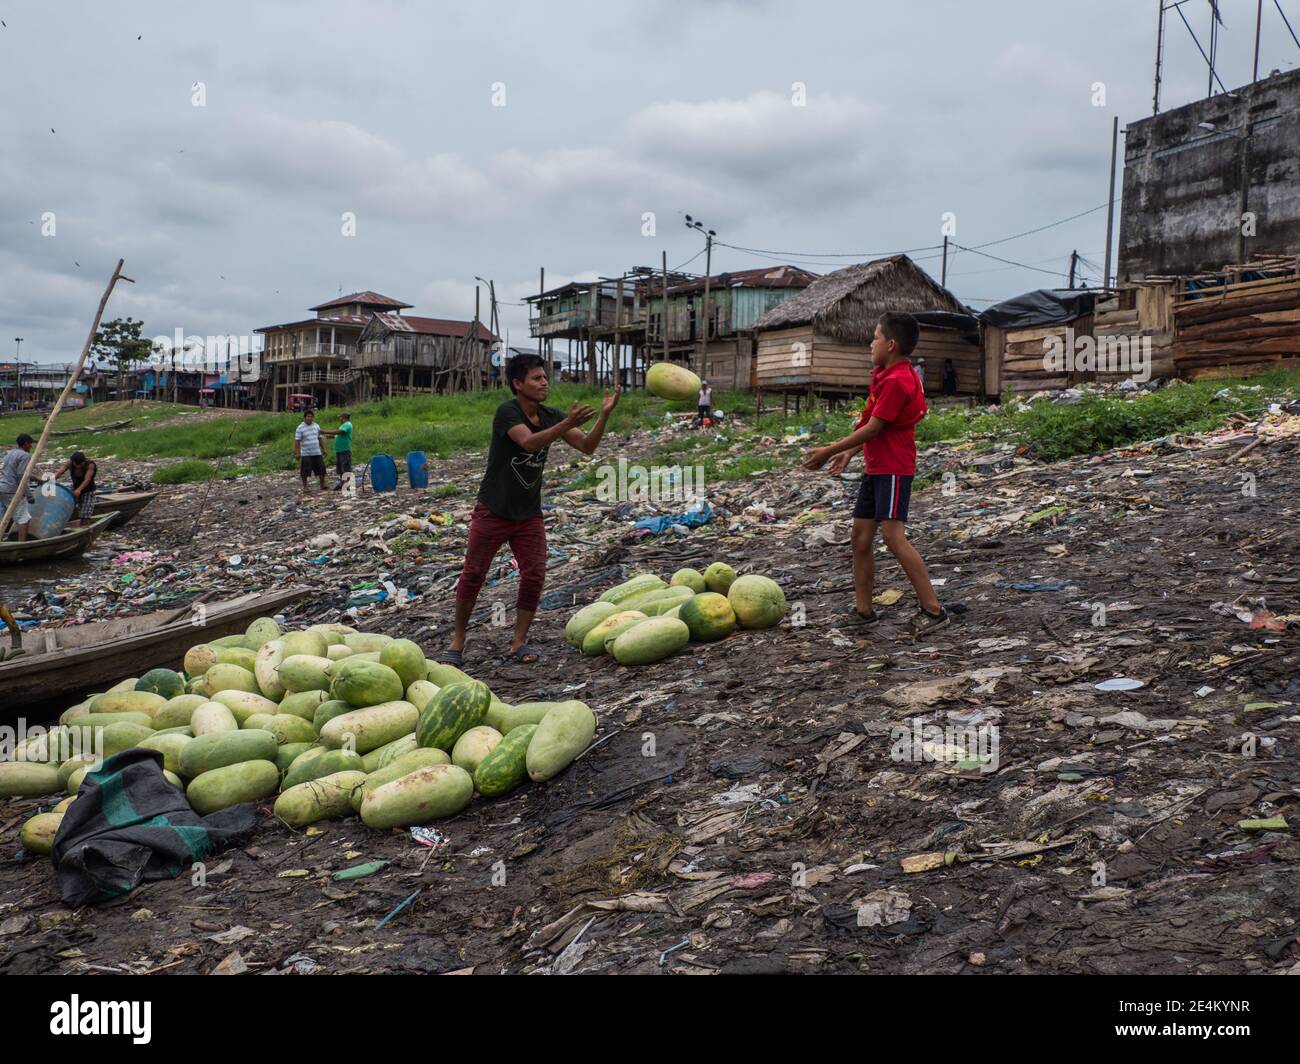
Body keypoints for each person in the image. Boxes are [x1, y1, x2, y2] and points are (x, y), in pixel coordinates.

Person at [445, 354, 620, 665]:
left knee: (535, 573)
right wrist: (567, 422)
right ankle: (457, 642)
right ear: (517, 384)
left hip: (528, 513)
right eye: (537, 378)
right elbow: (528, 444)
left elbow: (587, 446)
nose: (544, 383)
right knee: (473, 574)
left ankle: (519, 642)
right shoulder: (507, 413)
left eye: (544, 378)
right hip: (494, 509)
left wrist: (604, 416)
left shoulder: (550, 415)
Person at [802, 312, 948, 635]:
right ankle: (864, 611)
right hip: (876, 466)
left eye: (875, 337)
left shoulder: (898, 381)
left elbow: (875, 428)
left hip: (894, 467)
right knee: (860, 536)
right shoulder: (883, 374)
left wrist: (827, 450)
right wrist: (848, 452)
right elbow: (870, 423)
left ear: (891, 344)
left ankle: (934, 610)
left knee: (894, 538)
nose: (871, 343)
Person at [0, 433, 35, 541]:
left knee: (4, 518)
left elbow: (14, 472)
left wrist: (38, 479)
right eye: (30, 444)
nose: (31, 446)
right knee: (23, 519)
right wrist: (29, 496)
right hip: (13, 490)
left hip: (2, 488)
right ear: (25, 444)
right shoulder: (25, 456)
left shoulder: (10, 453)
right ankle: (21, 546)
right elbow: (21, 477)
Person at [53, 451, 98, 527]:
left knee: (85, 514)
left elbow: (87, 479)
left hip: (88, 490)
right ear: (73, 462)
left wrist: (79, 490)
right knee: (64, 506)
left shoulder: (90, 465)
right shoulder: (70, 463)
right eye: (76, 464)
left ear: (83, 462)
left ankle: (86, 529)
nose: (78, 467)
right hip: (75, 488)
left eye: (80, 465)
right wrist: (51, 480)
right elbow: (60, 472)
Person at [294, 408, 327, 494]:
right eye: (308, 416)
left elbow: (320, 438)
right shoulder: (300, 428)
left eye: (311, 416)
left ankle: (322, 485)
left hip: (317, 452)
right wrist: (297, 453)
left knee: (321, 468)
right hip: (306, 453)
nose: (310, 418)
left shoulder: (316, 426)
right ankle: (305, 487)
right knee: (305, 471)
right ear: (304, 418)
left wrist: (323, 449)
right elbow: (297, 441)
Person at [321, 411, 353, 491]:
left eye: (340, 417)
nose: (339, 418)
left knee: (346, 467)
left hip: (345, 449)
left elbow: (340, 432)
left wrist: (325, 431)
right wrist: (330, 436)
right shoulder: (343, 425)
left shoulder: (347, 424)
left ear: (343, 417)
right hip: (339, 449)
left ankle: (347, 484)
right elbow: (339, 435)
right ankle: (342, 483)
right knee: (340, 467)